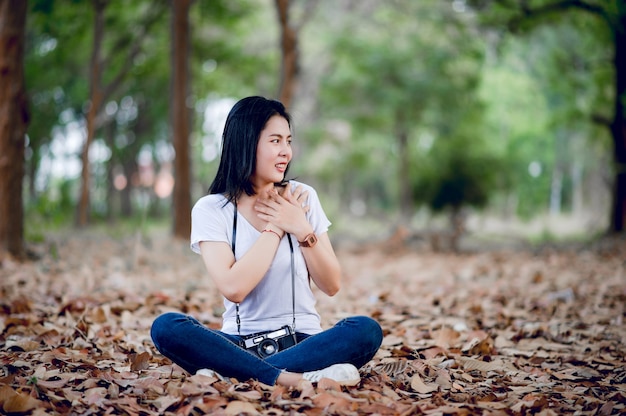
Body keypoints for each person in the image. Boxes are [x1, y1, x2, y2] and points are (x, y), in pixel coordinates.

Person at [150, 96, 382, 387]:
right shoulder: (211, 209)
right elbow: (234, 288)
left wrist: (300, 228)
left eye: (288, 140)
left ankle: (236, 374)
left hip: (304, 343)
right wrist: (275, 227)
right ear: (246, 143)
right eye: (275, 141)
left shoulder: (302, 197)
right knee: (167, 327)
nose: (286, 151)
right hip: (237, 343)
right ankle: (295, 377)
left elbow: (332, 284)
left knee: (365, 330)